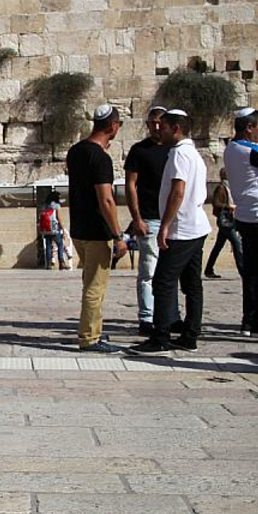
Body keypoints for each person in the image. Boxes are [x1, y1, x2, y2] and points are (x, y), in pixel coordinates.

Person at [130, 110, 209, 355]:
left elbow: (178, 191)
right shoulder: (193, 153)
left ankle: (161, 335)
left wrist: (165, 226)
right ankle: (190, 335)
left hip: (182, 229)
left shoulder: (178, 154)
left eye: (162, 127)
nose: (157, 131)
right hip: (197, 226)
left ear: (176, 128)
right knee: (192, 284)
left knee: (162, 282)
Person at [65, 104, 127, 354]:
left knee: (90, 282)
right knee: (95, 286)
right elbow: (106, 200)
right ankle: (89, 338)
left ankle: (94, 327)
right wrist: (118, 235)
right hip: (97, 232)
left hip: (79, 228)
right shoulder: (101, 158)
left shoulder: (76, 151)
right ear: (113, 126)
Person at [224, 107, 258, 337]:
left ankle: (250, 319)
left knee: (253, 271)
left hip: (245, 216)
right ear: (249, 128)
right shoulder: (250, 150)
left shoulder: (231, 148)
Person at [123, 105, 169, 336]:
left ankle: (170, 316)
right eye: (152, 122)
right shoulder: (139, 151)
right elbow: (130, 185)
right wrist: (136, 219)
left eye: (160, 122)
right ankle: (147, 318)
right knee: (148, 270)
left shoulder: (175, 150)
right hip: (149, 219)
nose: (156, 126)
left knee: (170, 272)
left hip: (173, 221)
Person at [205, 167, 242, 279]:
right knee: (237, 245)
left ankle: (208, 269)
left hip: (229, 220)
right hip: (225, 221)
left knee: (218, 246)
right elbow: (216, 203)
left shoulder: (230, 188)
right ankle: (243, 270)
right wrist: (228, 206)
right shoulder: (221, 188)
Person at [39, 191, 68, 270]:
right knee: (60, 244)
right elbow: (59, 218)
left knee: (48, 246)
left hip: (46, 229)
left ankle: (49, 264)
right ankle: (62, 263)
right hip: (55, 228)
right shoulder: (57, 205)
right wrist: (62, 228)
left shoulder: (46, 205)